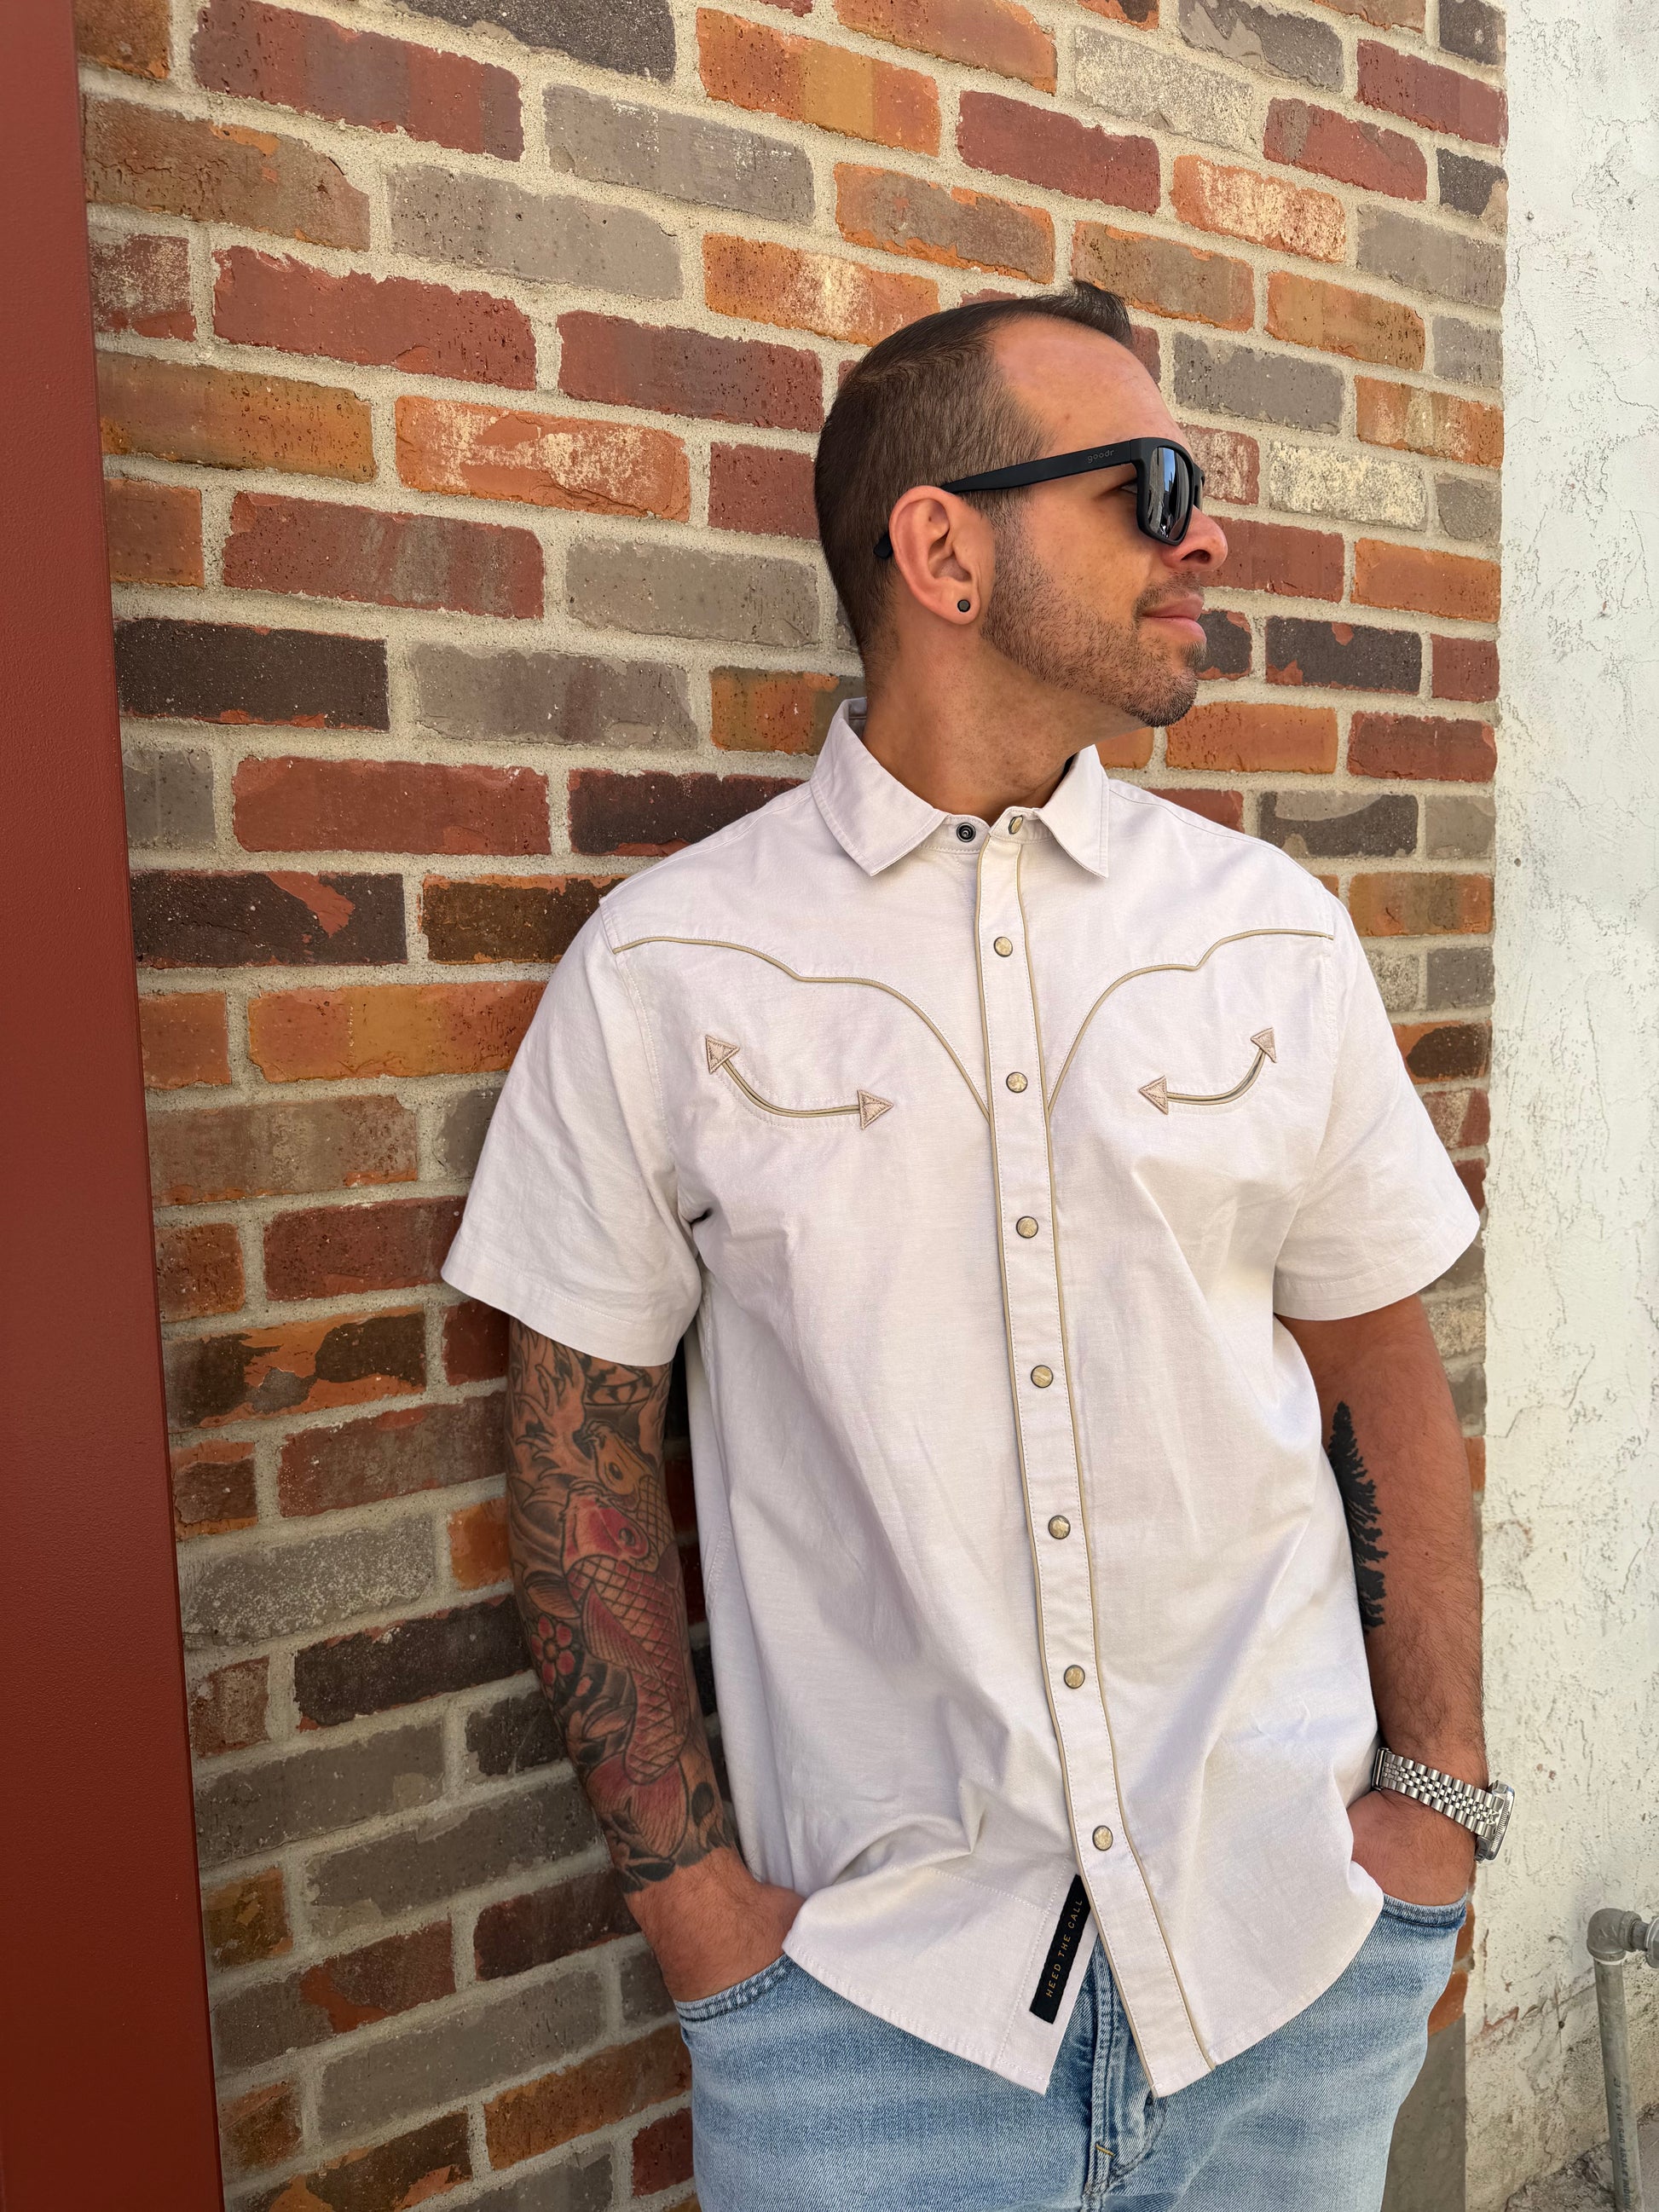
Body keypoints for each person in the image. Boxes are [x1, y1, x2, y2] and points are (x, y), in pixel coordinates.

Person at [441, 280, 1512, 2211]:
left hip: (1286, 1965)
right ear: (939, 545)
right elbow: (575, 1452)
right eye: (1149, 485)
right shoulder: (672, 969)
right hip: (870, 2027)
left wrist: (1427, 1815)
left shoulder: (1265, 932)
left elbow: (1381, 1375)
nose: (1205, 536)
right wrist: (702, 1917)